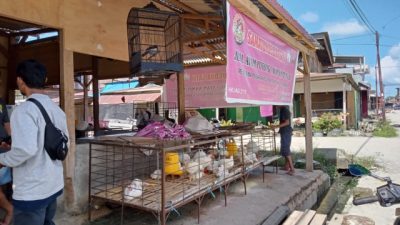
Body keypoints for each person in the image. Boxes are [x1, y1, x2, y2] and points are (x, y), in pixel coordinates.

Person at [0, 59, 69, 225]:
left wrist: (2, 159)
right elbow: (64, 144)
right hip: (53, 184)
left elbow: (26, 150)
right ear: (44, 81)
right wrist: (14, 145)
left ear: (20, 81)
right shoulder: (57, 110)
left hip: (33, 191)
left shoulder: (24, 110)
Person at [272, 105, 295, 175]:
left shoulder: (285, 110)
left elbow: (287, 122)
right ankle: (286, 166)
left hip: (286, 131)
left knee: (286, 150)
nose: (275, 105)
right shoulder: (282, 110)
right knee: (285, 149)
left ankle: (292, 169)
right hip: (284, 131)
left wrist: (276, 126)